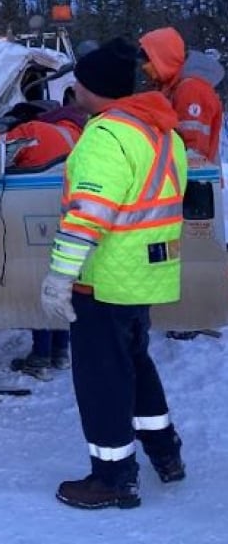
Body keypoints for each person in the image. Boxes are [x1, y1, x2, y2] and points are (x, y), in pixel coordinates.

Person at [40, 36, 188, 509]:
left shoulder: (105, 137)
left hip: (104, 279)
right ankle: (166, 454)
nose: (75, 88)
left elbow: (87, 215)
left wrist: (60, 277)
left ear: (93, 90)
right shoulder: (160, 131)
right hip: (144, 275)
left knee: (103, 379)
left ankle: (112, 477)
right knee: (136, 365)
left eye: (79, 82)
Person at [139, 27, 223, 164]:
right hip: (181, 175)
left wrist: (191, 183)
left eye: (148, 59)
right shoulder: (171, 87)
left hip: (195, 179)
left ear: (163, 56)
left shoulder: (191, 89)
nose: (144, 67)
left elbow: (194, 151)